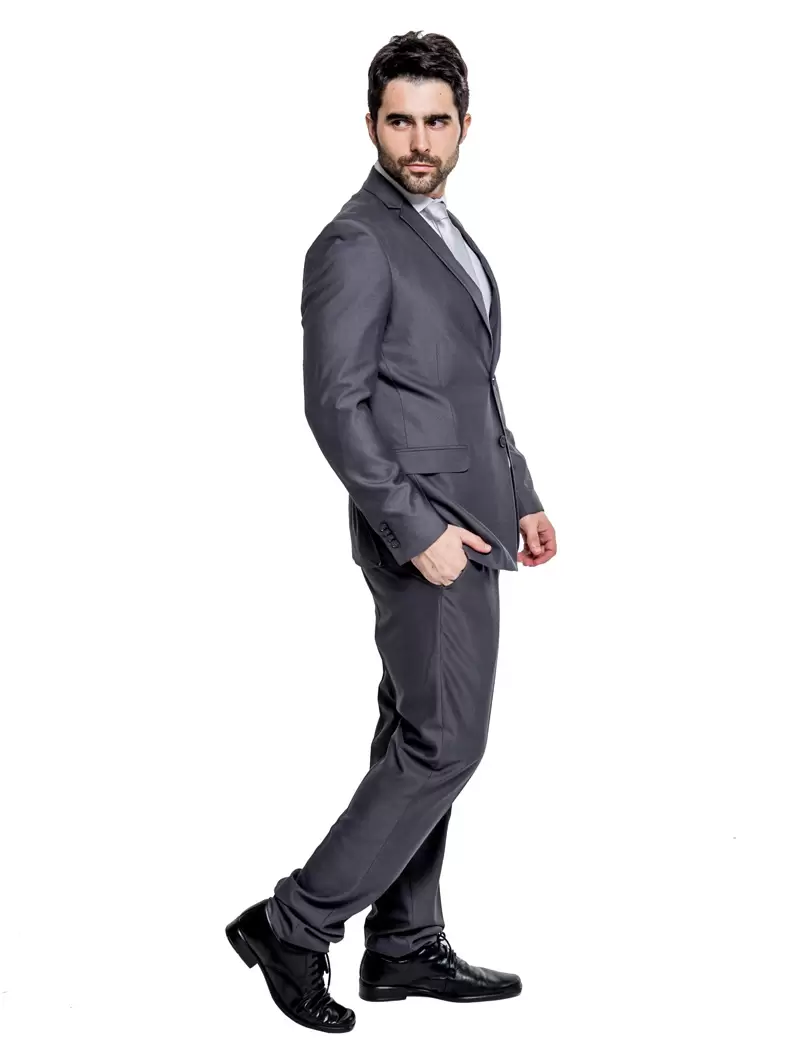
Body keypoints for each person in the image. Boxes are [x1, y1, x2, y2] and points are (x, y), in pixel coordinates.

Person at [225, 29, 557, 1034]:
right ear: (370, 124)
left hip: (475, 520)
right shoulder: (356, 241)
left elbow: (465, 387)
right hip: (425, 535)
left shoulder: (441, 230)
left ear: (465, 125)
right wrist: (417, 529)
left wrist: (521, 492)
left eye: (435, 121)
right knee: (444, 744)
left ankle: (405, 943)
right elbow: (335, 405)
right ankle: (293, 923)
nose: (418, 142)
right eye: (399, 121)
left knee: (412, 733)